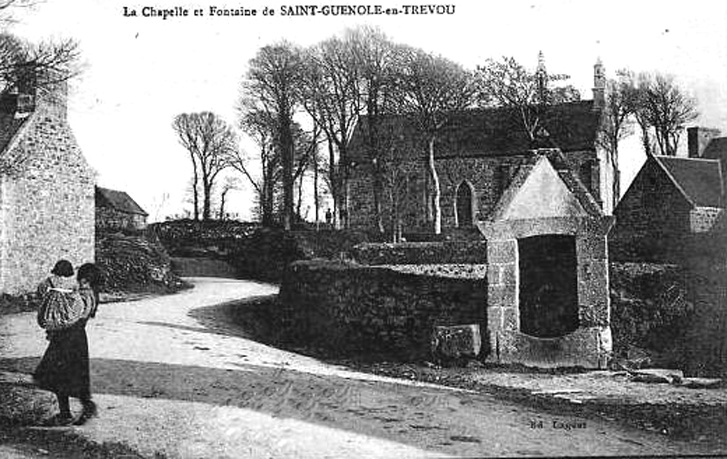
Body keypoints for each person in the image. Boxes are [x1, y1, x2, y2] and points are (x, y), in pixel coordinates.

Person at [33, 261, 101, 426]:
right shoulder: (91, 294)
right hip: (77, 339)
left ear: (85, 279)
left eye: (80, 276)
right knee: (72, 376)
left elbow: (71, 315)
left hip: (67, 339)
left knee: (59, 375)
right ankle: (83, 407)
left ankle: (70, 412)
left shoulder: (81, 295)